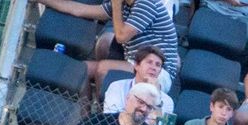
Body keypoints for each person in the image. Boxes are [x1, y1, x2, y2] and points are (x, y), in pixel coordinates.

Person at [40, 0, 180, 93]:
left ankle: (103, 115)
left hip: (158, 71)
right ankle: (87, 117)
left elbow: (121, 36)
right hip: (136, 64)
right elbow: (78, 9)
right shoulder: (122, 5)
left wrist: (116, 6)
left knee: (103, 69)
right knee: (82, 69)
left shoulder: (146, 3)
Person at [101, 45, 175, 121]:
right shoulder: (117, 87)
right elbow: (110, 119)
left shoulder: (166, 101)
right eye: (149, 62)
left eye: (158, 65)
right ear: (136, 65)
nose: (153, 68)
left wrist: (157, 98)